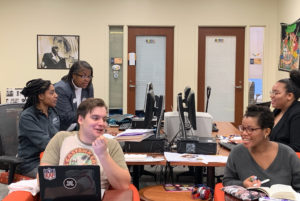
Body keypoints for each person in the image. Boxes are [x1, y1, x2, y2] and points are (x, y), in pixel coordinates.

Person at [40, 98, 131, 190]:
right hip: (65, 193)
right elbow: (43, 179)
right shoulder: (61, 138)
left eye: (104, 119)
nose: (101, 123)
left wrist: (103, 155)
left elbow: (123, 186)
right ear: (80, 119)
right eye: (95, 118)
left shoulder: (111, 145)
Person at [223, 105, 300, 191]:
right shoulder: (237, 152)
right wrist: (243, 184)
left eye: (250, 129)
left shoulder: (287, 154)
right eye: (243, 128)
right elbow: (227, 181)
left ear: (266, 131)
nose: (244, 133)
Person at [17, 79, 60, 178]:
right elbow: (45, 143)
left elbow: (58, 136)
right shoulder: (27, 117)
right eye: (52, 93)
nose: (56, 95)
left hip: (51, 159)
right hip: (31, 164)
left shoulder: (53, 112)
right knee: (59, 177)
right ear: (40, 96)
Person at [54, 60, 94, 130]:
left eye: (89, 76)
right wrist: (90, 114)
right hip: (62, 131)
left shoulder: (88, 87)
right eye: (83, 76)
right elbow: (66, 117)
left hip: (79, 128)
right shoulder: (61, 89)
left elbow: (91, 108)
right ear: (74, 75)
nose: (87, 79)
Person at [269, 69, 300, 152]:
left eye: (276, 93)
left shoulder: (297, 114)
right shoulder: (277, 110)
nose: (271, 96)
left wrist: (267, 147)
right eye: (272, 92)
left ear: (289, 96)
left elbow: (296, 147)